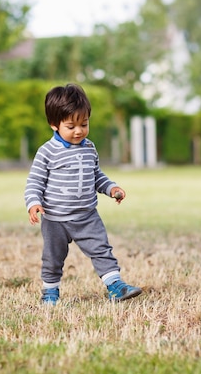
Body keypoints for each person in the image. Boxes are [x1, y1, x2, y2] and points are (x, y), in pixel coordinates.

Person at [24, 83, 142, 305]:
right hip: (55, 219)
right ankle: (50, 292)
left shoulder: (89, 148)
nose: (78, 131)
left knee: (101, 249)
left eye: (84, 124)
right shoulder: (47, 152)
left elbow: (96, 175)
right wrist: (33, 203)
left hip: (87, 216)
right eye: (71, 126)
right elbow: (34, 181)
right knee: (52, 258)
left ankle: (116, 287)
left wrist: (112, 188)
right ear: (54, 124)